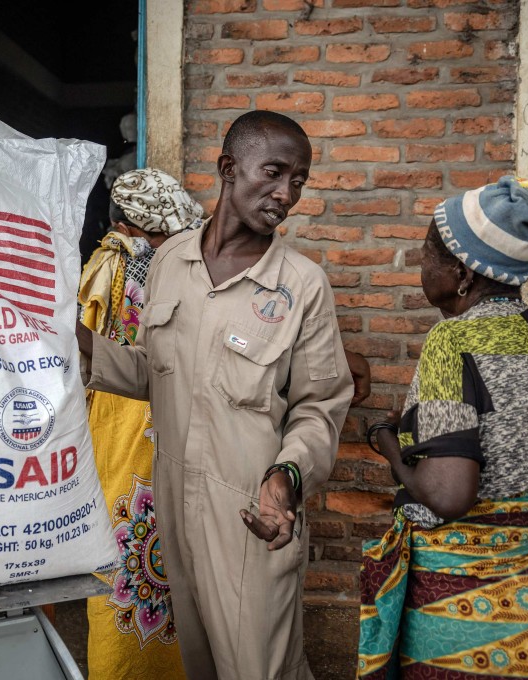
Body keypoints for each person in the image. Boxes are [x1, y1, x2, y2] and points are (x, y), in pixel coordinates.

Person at [77, 110, 354, 679]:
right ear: (229, 168)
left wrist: (287, 479)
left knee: (260, 668)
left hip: (252, 509)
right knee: (198, 663)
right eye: (273, 173)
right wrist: (79, 344)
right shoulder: (169, 264)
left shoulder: (301, 286)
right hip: (171, 502)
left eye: (298, 181)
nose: (286, 194)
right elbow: (158, 374)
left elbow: (319, 407)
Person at [358, 177, 528, 679]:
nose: (420, 262)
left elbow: (450, 494)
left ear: (461, 272)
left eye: (429, 250)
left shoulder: (452, 340)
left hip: (468, 608)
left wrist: (389, 444)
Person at [78, 167, 204, 680]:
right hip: (166, 420)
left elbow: (78, 355)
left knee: (123, 552)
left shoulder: (108, 267)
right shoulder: (174, 267)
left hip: (119, 426)